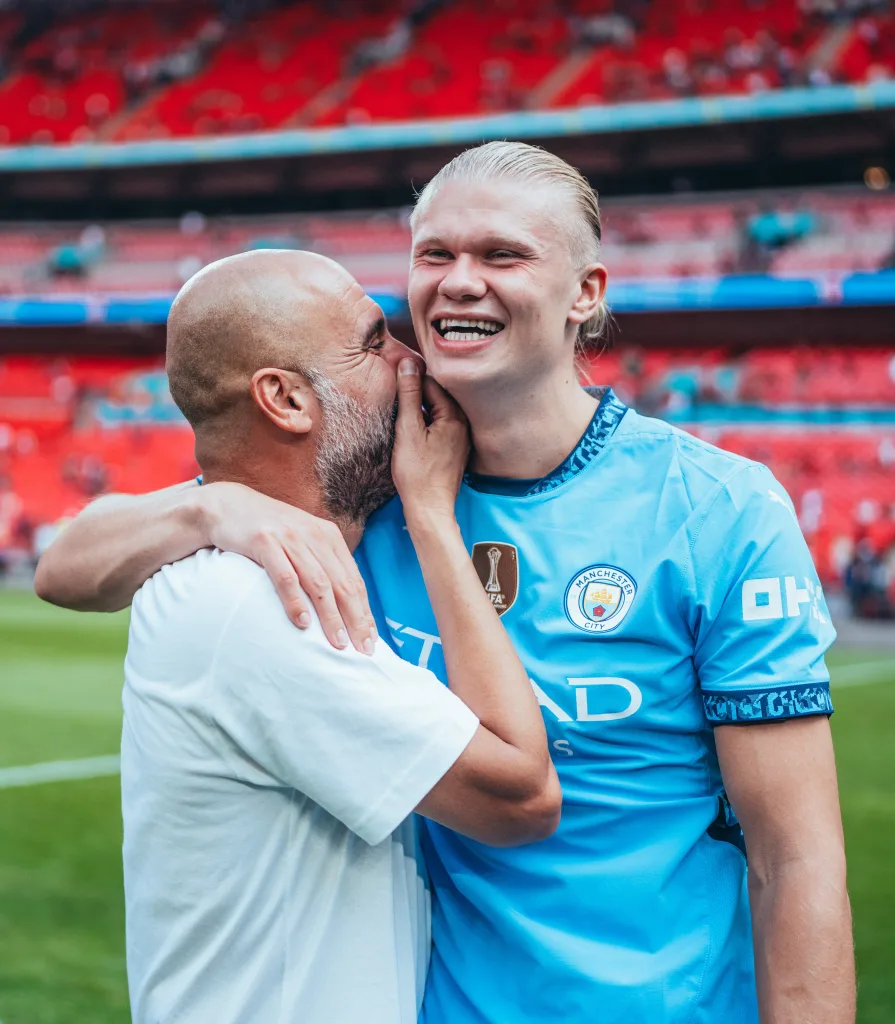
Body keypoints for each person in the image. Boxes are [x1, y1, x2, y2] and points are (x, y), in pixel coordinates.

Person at [36, 143, 855, 1024]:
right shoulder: (360, 485)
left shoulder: (714, 508)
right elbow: (67, 563)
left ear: (586, 292)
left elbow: (793, 860)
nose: (459, 281)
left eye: (501, 255)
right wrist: (208, 510)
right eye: (435, 255)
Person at [100, 249, 561, 1023]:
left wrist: (206, 509)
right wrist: (433, 519)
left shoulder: (226, 562)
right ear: (284, 399)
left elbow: (65, 563)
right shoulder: (253, 606)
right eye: (375, 342)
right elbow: (520, 798)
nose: (413, 362)